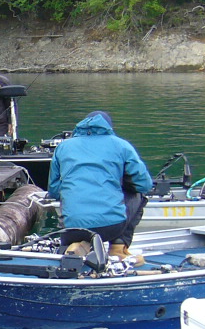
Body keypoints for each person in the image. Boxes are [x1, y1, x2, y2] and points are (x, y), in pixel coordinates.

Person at [46, 110, 153, 258]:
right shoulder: (121, 145)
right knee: (139, 195)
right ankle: (118, 247)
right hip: (111, 228)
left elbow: (53, 190)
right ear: (108, 127)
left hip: (71, 229)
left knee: (68, 194)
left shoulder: (63, 147)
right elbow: (144, 185)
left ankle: (78, 244)